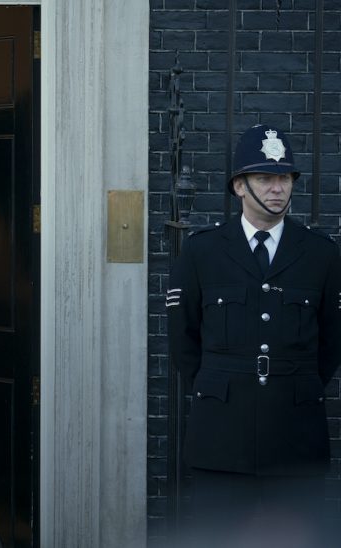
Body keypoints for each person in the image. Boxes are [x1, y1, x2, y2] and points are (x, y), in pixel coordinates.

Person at [168, 124, 341, 546]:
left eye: (284, 178)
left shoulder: (321, 253)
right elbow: (183, 339)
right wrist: (217, 387)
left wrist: (296, 385)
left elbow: (332, 342)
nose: (278, 188)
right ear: (239, 186)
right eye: (265, 178)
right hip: (221, 438)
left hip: (294, 437)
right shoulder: (202, 251)